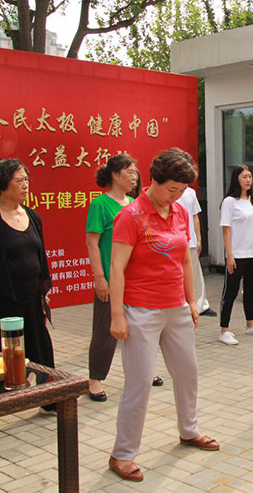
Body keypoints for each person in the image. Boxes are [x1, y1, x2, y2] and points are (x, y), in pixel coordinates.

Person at [108, 148, 219, 482]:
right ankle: (122, 454)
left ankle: (189, 430)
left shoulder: (180, 212)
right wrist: (117, 315)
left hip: (176, 309)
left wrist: (191, 301)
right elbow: (117, 266)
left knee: (188, 373)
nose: (177, 195)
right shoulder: (131, 215)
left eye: (183, 190)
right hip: (141, 310)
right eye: (172, 189)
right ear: (153, 179)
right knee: (139, 383)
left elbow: (185, 259)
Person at [0, 158, 56, 442]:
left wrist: (44, 296)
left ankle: (49, 399)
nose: (26, 185)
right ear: (3, 184)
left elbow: (40, 257)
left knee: (41, 351)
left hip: (31, 300)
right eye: (20, 180)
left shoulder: (32, 215)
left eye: (27, 179)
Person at [85, 154, 164, 403]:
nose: (134, 176)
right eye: (129, 171)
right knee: (105, 331)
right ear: (115, 174)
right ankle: (94, 379)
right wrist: (100, 277)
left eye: (135, 172)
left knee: (141, 329)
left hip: (136, 279)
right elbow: (92, 242)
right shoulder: (100, 205)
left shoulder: (133, 203)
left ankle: (142, 372)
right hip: (111, 278)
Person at [218, 165, 253, 345]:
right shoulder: (229, 202)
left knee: (250, 292)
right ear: (236, 179)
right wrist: (229, 255)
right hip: (237, 254)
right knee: (230, 293)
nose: (248, 180)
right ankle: (224, 330)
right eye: (244, 177)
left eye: (249, 176)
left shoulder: (252, 200)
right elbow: (226, 230)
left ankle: (251, 324)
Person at [177, 186, 216, 317]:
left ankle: (201, 304)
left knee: (195, 274)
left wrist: (198, 238)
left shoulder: (190, 192)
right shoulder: (169, 190)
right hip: (175, 240)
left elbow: (195, 217)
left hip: (191, 240)